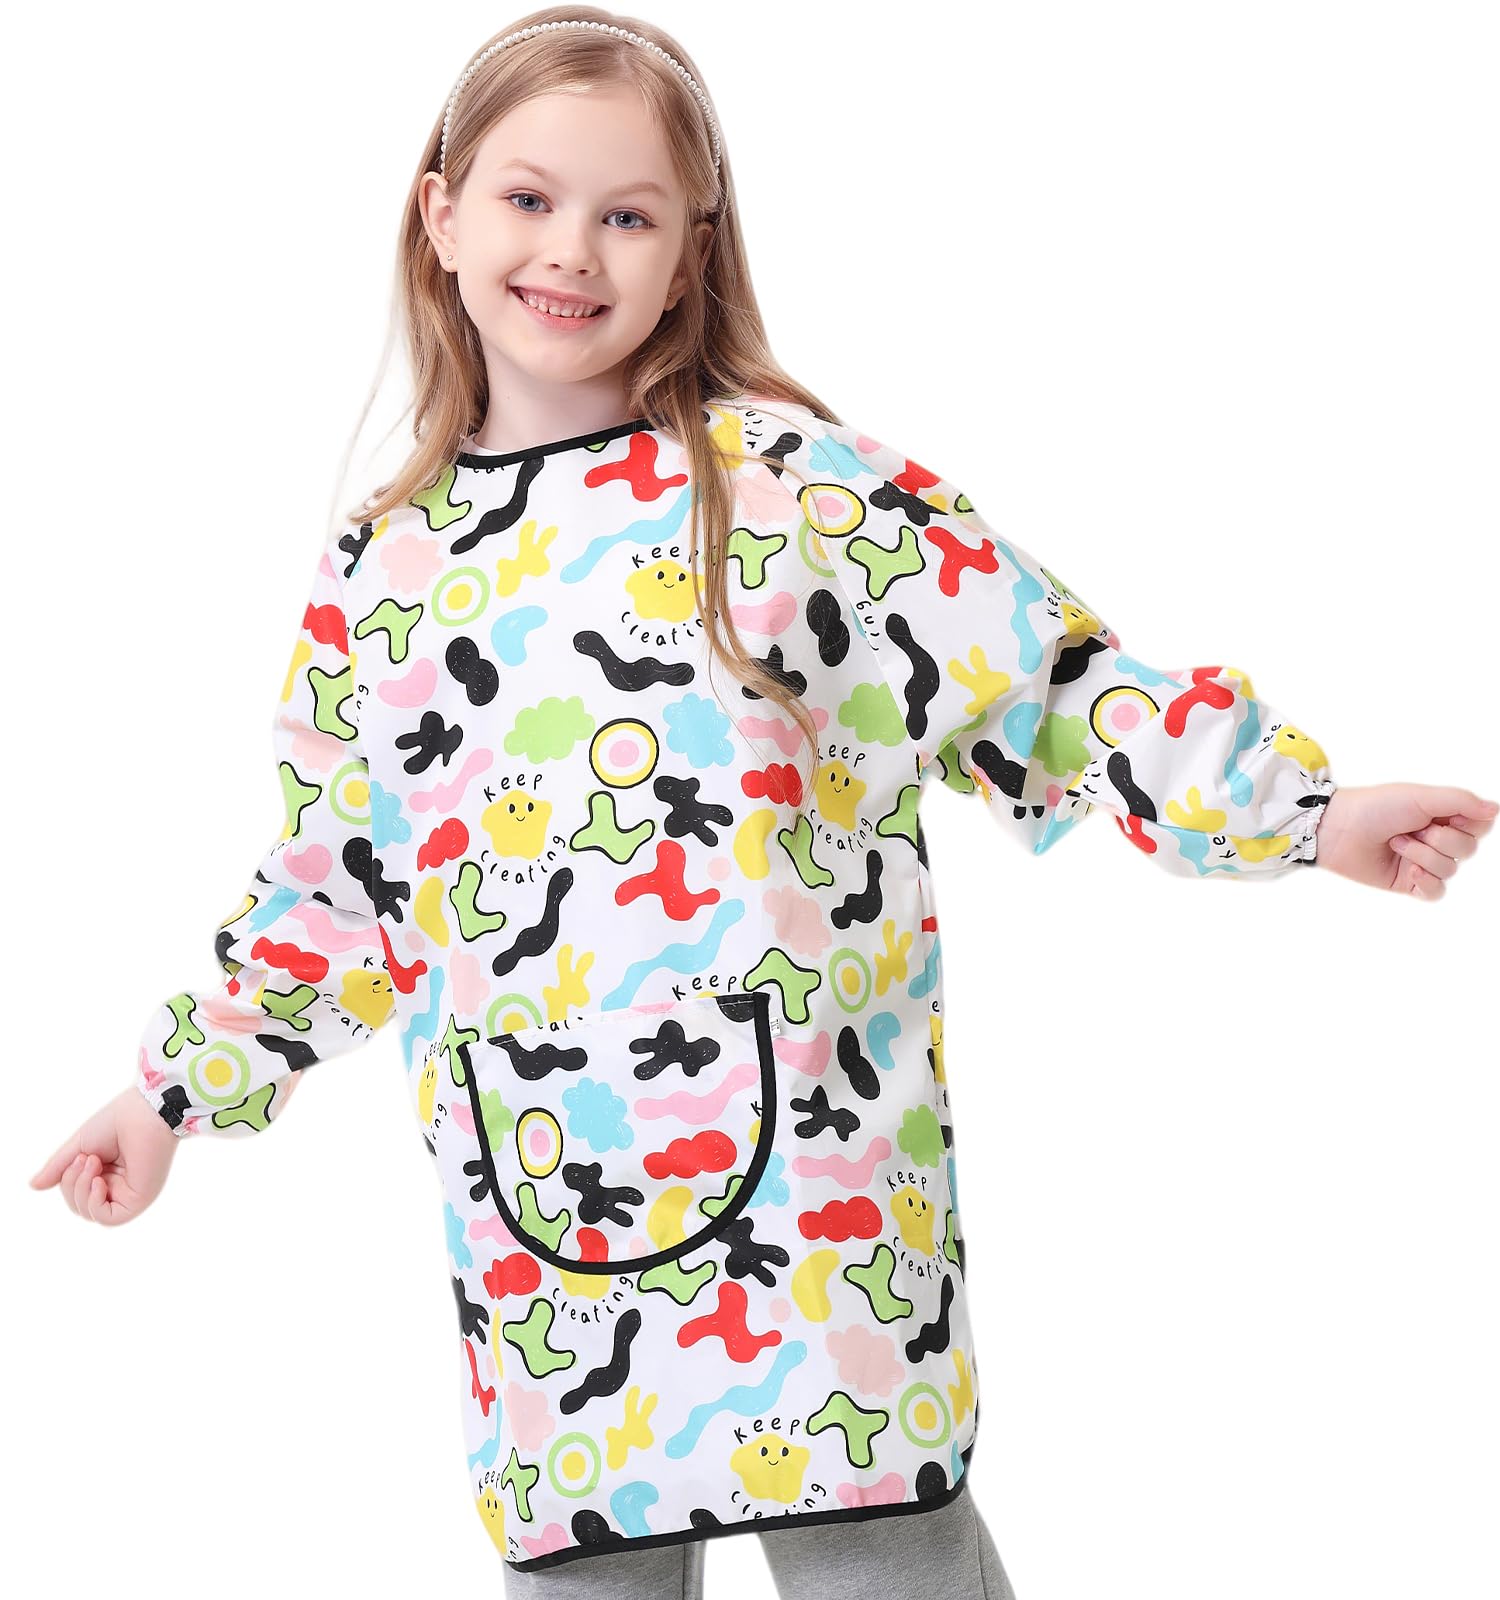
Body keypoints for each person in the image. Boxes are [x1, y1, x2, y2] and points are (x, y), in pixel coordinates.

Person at [29, 8, 1496, 1597]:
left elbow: (1047, 684)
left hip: (817, 1207)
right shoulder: (382, 576)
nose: (570, 248)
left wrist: (1307, 815)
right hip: (543, 1222)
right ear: (439, 216)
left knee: (881, 1553)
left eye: (627, 214)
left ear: (690, 254)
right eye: (528, 199)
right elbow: (338, 887)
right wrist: (170, 1096)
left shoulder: (790, 490)